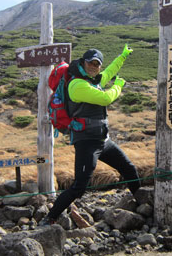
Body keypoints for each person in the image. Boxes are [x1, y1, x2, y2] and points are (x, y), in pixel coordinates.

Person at [40, 45, 141, 225]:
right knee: (79, 187)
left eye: (97, 64)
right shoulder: (77, 84)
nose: (94, 66)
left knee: (129, 169)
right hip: (86, 142)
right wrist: (118, 86)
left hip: (103, 140)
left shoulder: (93, 81)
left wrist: (123, 56)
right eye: (91, 63)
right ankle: (50, 218)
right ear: (83, 63)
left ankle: (143, 204)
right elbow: (106, 98)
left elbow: (109, 72)